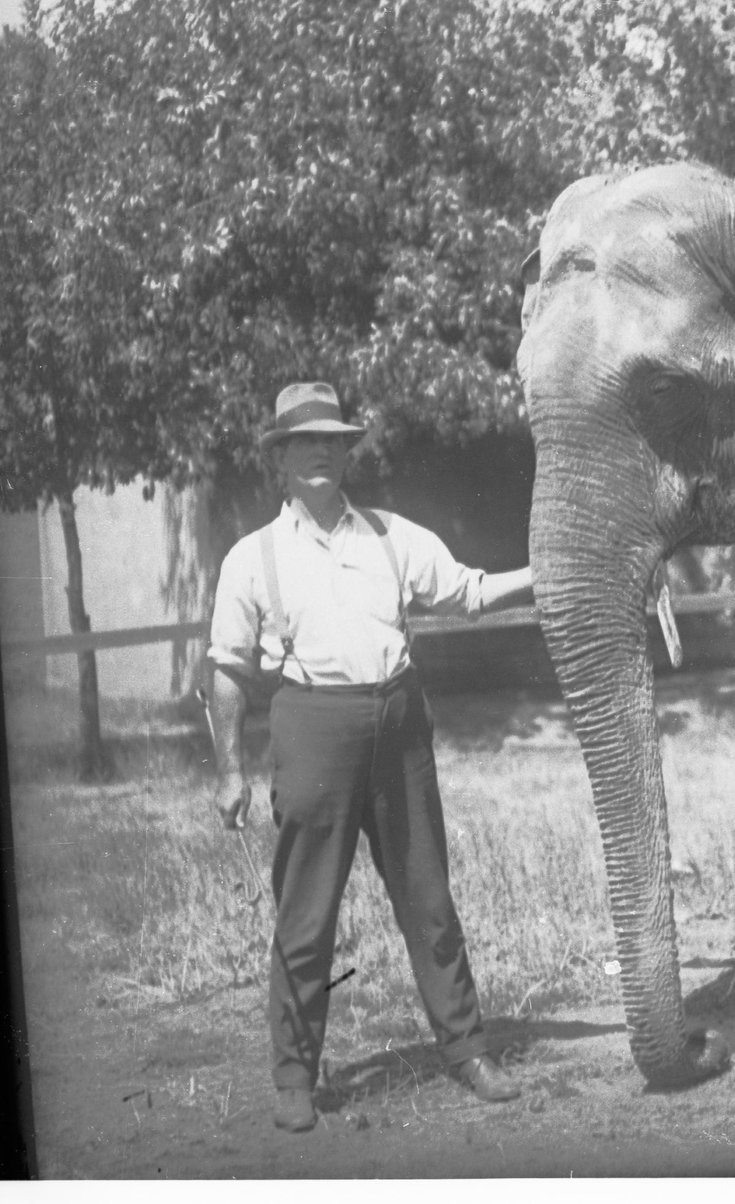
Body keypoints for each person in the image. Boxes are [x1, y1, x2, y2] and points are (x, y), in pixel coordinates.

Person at [206, 383, 536, 1134]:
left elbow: (468, 592)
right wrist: (229, 770)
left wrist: (545, 575)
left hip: (399, 723)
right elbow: (225, 670)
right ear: (280, 458)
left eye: (332, 440)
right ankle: (295, 1079)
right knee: (306, 915)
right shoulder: (252, 558)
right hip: (312, 726)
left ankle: (468, 1050)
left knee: (429, 900)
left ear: (347, 452)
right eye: (305, 441)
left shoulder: (391, 536)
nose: (320, 453)